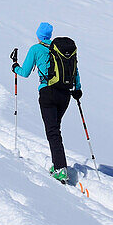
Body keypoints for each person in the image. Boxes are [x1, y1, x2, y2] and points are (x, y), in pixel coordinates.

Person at [13, 22, 82, 182]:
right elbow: (75, 70)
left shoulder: (36, 49)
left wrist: (15, 67)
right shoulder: (63, 51)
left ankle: (60, 168)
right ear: (50, 35)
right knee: (55, 130)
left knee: (52, 131)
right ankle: (58, 164)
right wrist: (77, 89)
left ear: (38, 35)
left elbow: (24, 73)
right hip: (65, 95)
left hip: (48, 93)